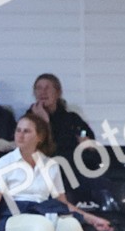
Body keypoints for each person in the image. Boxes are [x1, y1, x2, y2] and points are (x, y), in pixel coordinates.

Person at [0, 112, 112, 231]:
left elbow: (62, 203)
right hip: (12, 216)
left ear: (39, 137)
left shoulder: (51, 165)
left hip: (43, 212)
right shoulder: (3, 164)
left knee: (72, 226)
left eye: (26, 131)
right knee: (43, 227)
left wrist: (90, 218)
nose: (20, 135)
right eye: (18, 130)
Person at [28, 73, 109, 206]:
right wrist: (44, 123)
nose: (43, 92)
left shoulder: (71, 118)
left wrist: (88, 145)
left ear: (58, 92)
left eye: (48, 88)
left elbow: (90, 145)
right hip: (44, 171)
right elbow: (43, 149)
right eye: (39, 88)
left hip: (75, 169)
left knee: (100, 182)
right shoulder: (28, 120)